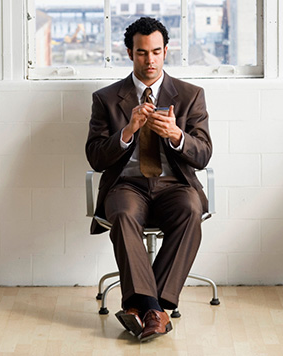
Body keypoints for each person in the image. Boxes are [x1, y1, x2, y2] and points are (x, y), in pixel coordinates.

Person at [85, 17, 212, 342]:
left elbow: (203, 154)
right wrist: (127, 132)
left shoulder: (189, 94)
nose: (150, 60)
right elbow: (96, 157)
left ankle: (143, 307)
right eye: (142, 53)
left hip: (175, 186)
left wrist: (176, 135)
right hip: (127, 186)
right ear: (130, 53)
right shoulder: (107, 98)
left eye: (157, 51)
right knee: (124, 213)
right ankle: (157, 311)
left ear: (166, 51)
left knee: (190, 209)